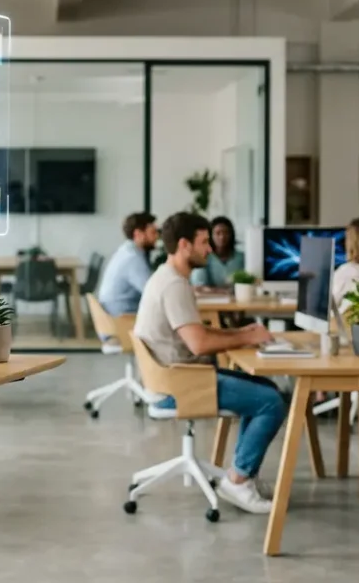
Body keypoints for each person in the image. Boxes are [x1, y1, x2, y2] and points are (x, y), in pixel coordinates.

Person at [135, 212, 286, 514]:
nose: (210, 249)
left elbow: (198, 333)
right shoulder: (174, 285)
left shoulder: (170, 277)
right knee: (271, 402)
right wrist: (245, 338)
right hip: (180, 386)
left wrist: (243, 333)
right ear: (184, 245)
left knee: (267, 389)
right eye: (204, 242)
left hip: (177, 377)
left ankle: (242, 475)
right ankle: (238, 480)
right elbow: (199, 344)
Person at [97, 212, 159, 316]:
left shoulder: (126, 250)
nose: (157, 237)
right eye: (153, 232)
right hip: (122, 316)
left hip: (112, 312)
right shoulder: (134, 258)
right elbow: (153, 292)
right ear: (138, 234)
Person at [191, 216, 246, 288]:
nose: (222, 237)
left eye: (226, 233)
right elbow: (199, 286)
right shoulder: (204, 257)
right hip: (210, 295)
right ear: (210, 236)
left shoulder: (242, 257)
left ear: (231, 234)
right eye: (217, 233)